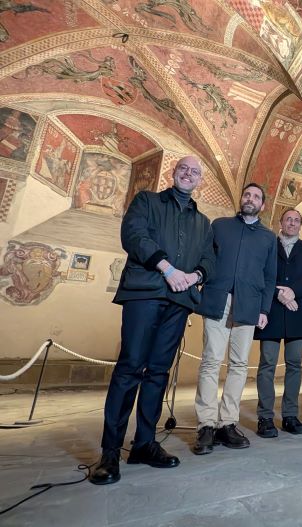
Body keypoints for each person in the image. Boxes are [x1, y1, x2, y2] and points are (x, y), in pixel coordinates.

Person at [89, 156, 215, 485]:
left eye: (195, 172)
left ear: (200, 180)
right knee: (130, 367)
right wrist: (168, 269)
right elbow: (134, 235)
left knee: (159, 372)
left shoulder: (203, 222)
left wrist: (195, 275)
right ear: (174, 173)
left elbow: (208, 258)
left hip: (179, 301)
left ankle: (144, 442)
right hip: (145, 292)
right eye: (184, 169)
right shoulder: (147, 200)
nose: (189, 174)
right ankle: (110, 452)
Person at [192, 182, 276, 455]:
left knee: (239, 365)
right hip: (218, 299)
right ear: (241, 199)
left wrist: (264, 309)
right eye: (247, 194)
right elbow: (205, 258)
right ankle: (206, 424)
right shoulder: (219, 226)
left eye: (256, 196)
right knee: (211, 361)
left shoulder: (268, 238)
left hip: (249, 305)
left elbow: (270, 276)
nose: (250, 199)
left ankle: (227, 422)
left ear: (262, 205)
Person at [254, 209, 302, 437]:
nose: (292, 223)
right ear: (280, 222)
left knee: (294, 365)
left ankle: (290, 415)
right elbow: (260, 274)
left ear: (301, 225)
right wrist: (279, 294)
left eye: (296, 220)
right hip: (271, 310)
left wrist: (293, 291)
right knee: (267, 364)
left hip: (298, 310)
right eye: (288, 219)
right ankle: (265, 417)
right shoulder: (268, 244)